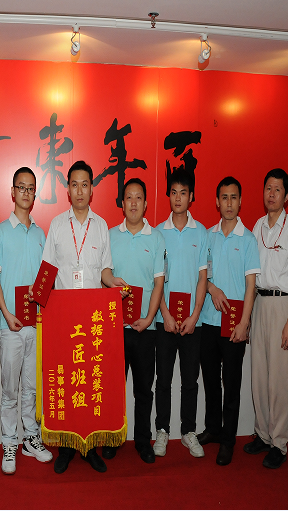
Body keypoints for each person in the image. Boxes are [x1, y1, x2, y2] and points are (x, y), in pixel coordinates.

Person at [40, 160, 127, 474]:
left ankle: (89, 447)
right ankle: (65, 447)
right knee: (66, 379)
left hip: (92, 321)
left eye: (85, 184)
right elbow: (48, 271)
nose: (79, 190)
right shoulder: (56, 225)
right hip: (63, 319)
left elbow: (105, 271)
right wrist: (38, 302)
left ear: (92, 189)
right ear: (68, 189)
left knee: (90, 383)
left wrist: (114, 284)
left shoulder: (101, 226)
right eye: (74, 184)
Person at [0, 167, 53, 475]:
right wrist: (6, 313)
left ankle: (31, 438)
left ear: (34, 194)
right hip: (10, 325)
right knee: (9, 390)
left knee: (31, 388)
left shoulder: (41, 234)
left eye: (30, 188)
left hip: (35, 325)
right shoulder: (0, 232)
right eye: (21, 187)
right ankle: (9, 443)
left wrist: (39, 295)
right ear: (12, 192)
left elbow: (46, 279)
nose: (26, 193)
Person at [244, 168, 288, 469]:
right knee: (259, 375)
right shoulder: (257, 227)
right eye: (268, 188)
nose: (271, 194)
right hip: (259, 303)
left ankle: (279, 443)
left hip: (283, 305)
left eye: (277, 190)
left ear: (287, 196)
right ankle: (262, 433)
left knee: (279, 380)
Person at [197, 176, 260, 466]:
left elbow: (251, 285)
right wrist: (212, 288)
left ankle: (228, 440)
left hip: (235, 325)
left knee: (231, 384)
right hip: (209, 322)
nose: (229, 203)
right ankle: (213, 428)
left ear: (240, 201)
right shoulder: (208, 236)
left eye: (234, 197)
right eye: (224, 197)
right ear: (217, 201)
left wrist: (245, 322)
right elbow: (202, 276)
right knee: (211, 381)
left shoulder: (248, 240)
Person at [108, 178, 164, 463]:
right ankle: (111, 438)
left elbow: (158, 283)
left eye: (138, 197)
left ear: (145, 203)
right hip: (114, 329)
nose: (133, 203)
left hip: (145, 328)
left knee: (144, 389)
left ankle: (143, 441)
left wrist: (149, 318)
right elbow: (104, 275)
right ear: (122, 203)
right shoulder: (110, 236)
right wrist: (111, 281)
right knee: (113, 389)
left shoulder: (156, 238)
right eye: (128, 197)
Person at [153, 168, 208, 459]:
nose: (178, 198)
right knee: (163, 380)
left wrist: (195, 315)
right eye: (173, 192)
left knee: (190, 381)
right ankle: (162, 430)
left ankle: (188, 431)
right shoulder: (158, 233)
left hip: (191, 322)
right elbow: (157, 280)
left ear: (191, 196)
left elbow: (202, 278)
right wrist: (164, 313)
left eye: (183, 193)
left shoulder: (201, 233)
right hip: (164, 320)